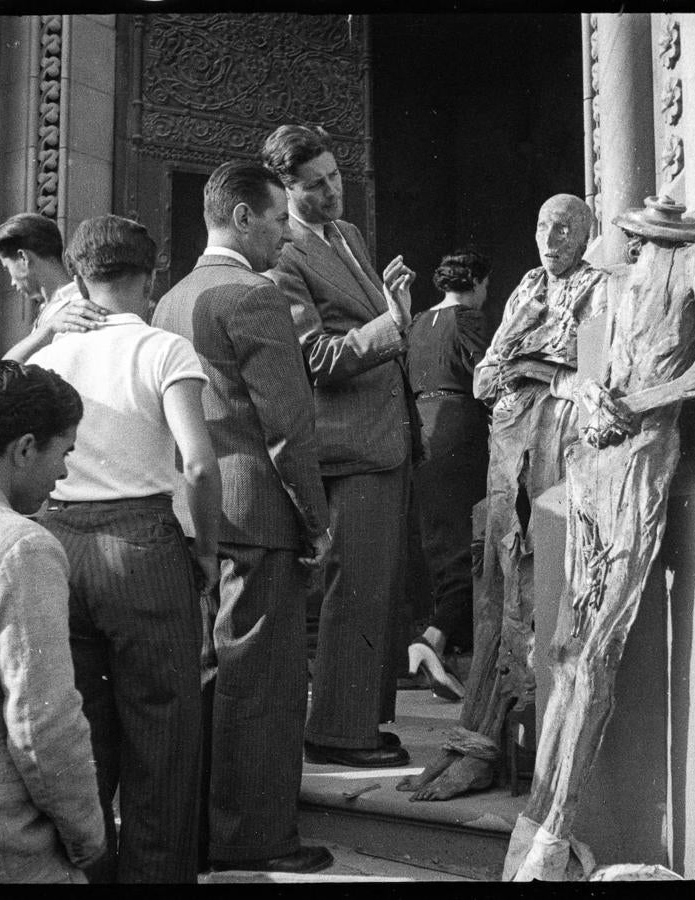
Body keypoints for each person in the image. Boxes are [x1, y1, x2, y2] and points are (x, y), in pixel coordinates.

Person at [504, 196, 695, 881]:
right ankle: (539, 830)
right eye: (631, 238)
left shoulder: (693, 265)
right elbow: (595, 367)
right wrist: (592, 394)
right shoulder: (622, 286)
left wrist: (626, 404)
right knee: (570, 646)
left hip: (640, 460)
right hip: (594, 458)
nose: (634, 249)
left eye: (641, 238)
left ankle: (551, 833)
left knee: (596, 647)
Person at [152, 161, 334, 875]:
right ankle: (257, 841)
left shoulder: (170, 299)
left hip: (195, 512)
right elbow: (288, 425)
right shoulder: (255, 296)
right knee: (263, 685)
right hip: (257, 513)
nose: (288, 235)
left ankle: (204, 829)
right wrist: (315, 521)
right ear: (242, 218)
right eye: (280, 219)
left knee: (216, 677)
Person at [28, 215, 222, 883]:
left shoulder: (50, 355)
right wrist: (206, 551)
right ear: (153, 271)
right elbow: (198, 465)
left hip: (58, 543)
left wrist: (36, 335)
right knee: (164, 731)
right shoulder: (164, 349)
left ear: (79, 274)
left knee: (81, 733)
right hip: (141, 544)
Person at [398, 194, 608, 802]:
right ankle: (476, 739)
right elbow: (488, 372)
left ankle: (516, 749)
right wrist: (523, 369)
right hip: (504, 447)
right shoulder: (524, 288)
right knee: (496, 585)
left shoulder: (599, 288)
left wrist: (533, 372)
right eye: (543, 223)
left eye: (566, 226)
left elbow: (584, 373)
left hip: (553, 447)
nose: (552, 235)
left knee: (539, 588)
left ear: (587, 234)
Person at [263, 124, 419, 768]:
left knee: (378, 587)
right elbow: (317, 359)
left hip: (385, 435)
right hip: (348, 446)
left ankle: (362, 721)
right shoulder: (285, 256)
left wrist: (388, 302)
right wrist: (393, 323)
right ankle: (336, 733)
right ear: (286, 189)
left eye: (335, 176)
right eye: (316, 184)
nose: (333, 191)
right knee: (353, 588)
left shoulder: (347, 235)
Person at [0, 358, 105, 883]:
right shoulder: (21, 546)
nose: (64, 473)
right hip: (8, 848)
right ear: (25, 448)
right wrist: (90, 839)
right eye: (64, 452)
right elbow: (44, 728)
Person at [406, 248, 492, 701]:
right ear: (476, 282)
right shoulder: (470, 322)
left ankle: (436, 642)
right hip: (460, 428)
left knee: (440, 541)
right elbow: (487, 379)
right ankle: (435, 640)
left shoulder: (419, 322)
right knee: (468, 541)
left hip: (423, 431)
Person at [0, 213, 108, 362]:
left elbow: (6, 373)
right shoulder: (53, 313)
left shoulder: (79, 306)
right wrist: (47, 329)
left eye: (7, 268)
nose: (12, 282)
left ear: (23, 257)